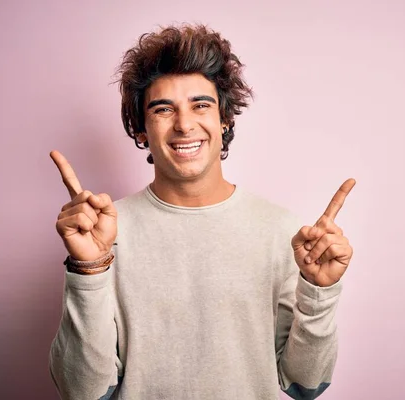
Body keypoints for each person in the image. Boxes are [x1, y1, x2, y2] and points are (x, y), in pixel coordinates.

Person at [48, 24, 355, 400]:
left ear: (224, 119)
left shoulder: (282, 232)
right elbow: (83, 391)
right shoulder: (104, 235)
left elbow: (305, 383)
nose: (184, 124)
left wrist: (319, 292)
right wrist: (89, 271)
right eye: (163, 109)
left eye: (201, 105)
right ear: (141, 129)